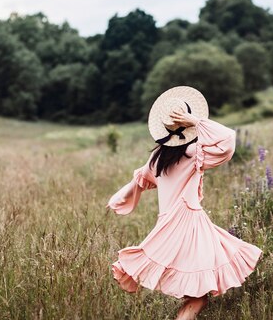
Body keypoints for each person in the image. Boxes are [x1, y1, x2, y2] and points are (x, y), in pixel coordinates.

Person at [106, 86, 262, 320]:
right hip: (189, 224)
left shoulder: (159, 156)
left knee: (197, 289)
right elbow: (228, 140)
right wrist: (196, 121)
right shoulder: (192, 151)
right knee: (200, 292)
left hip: (171, 223)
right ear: (187, 125)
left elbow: (141, 178)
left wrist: (121, 196)